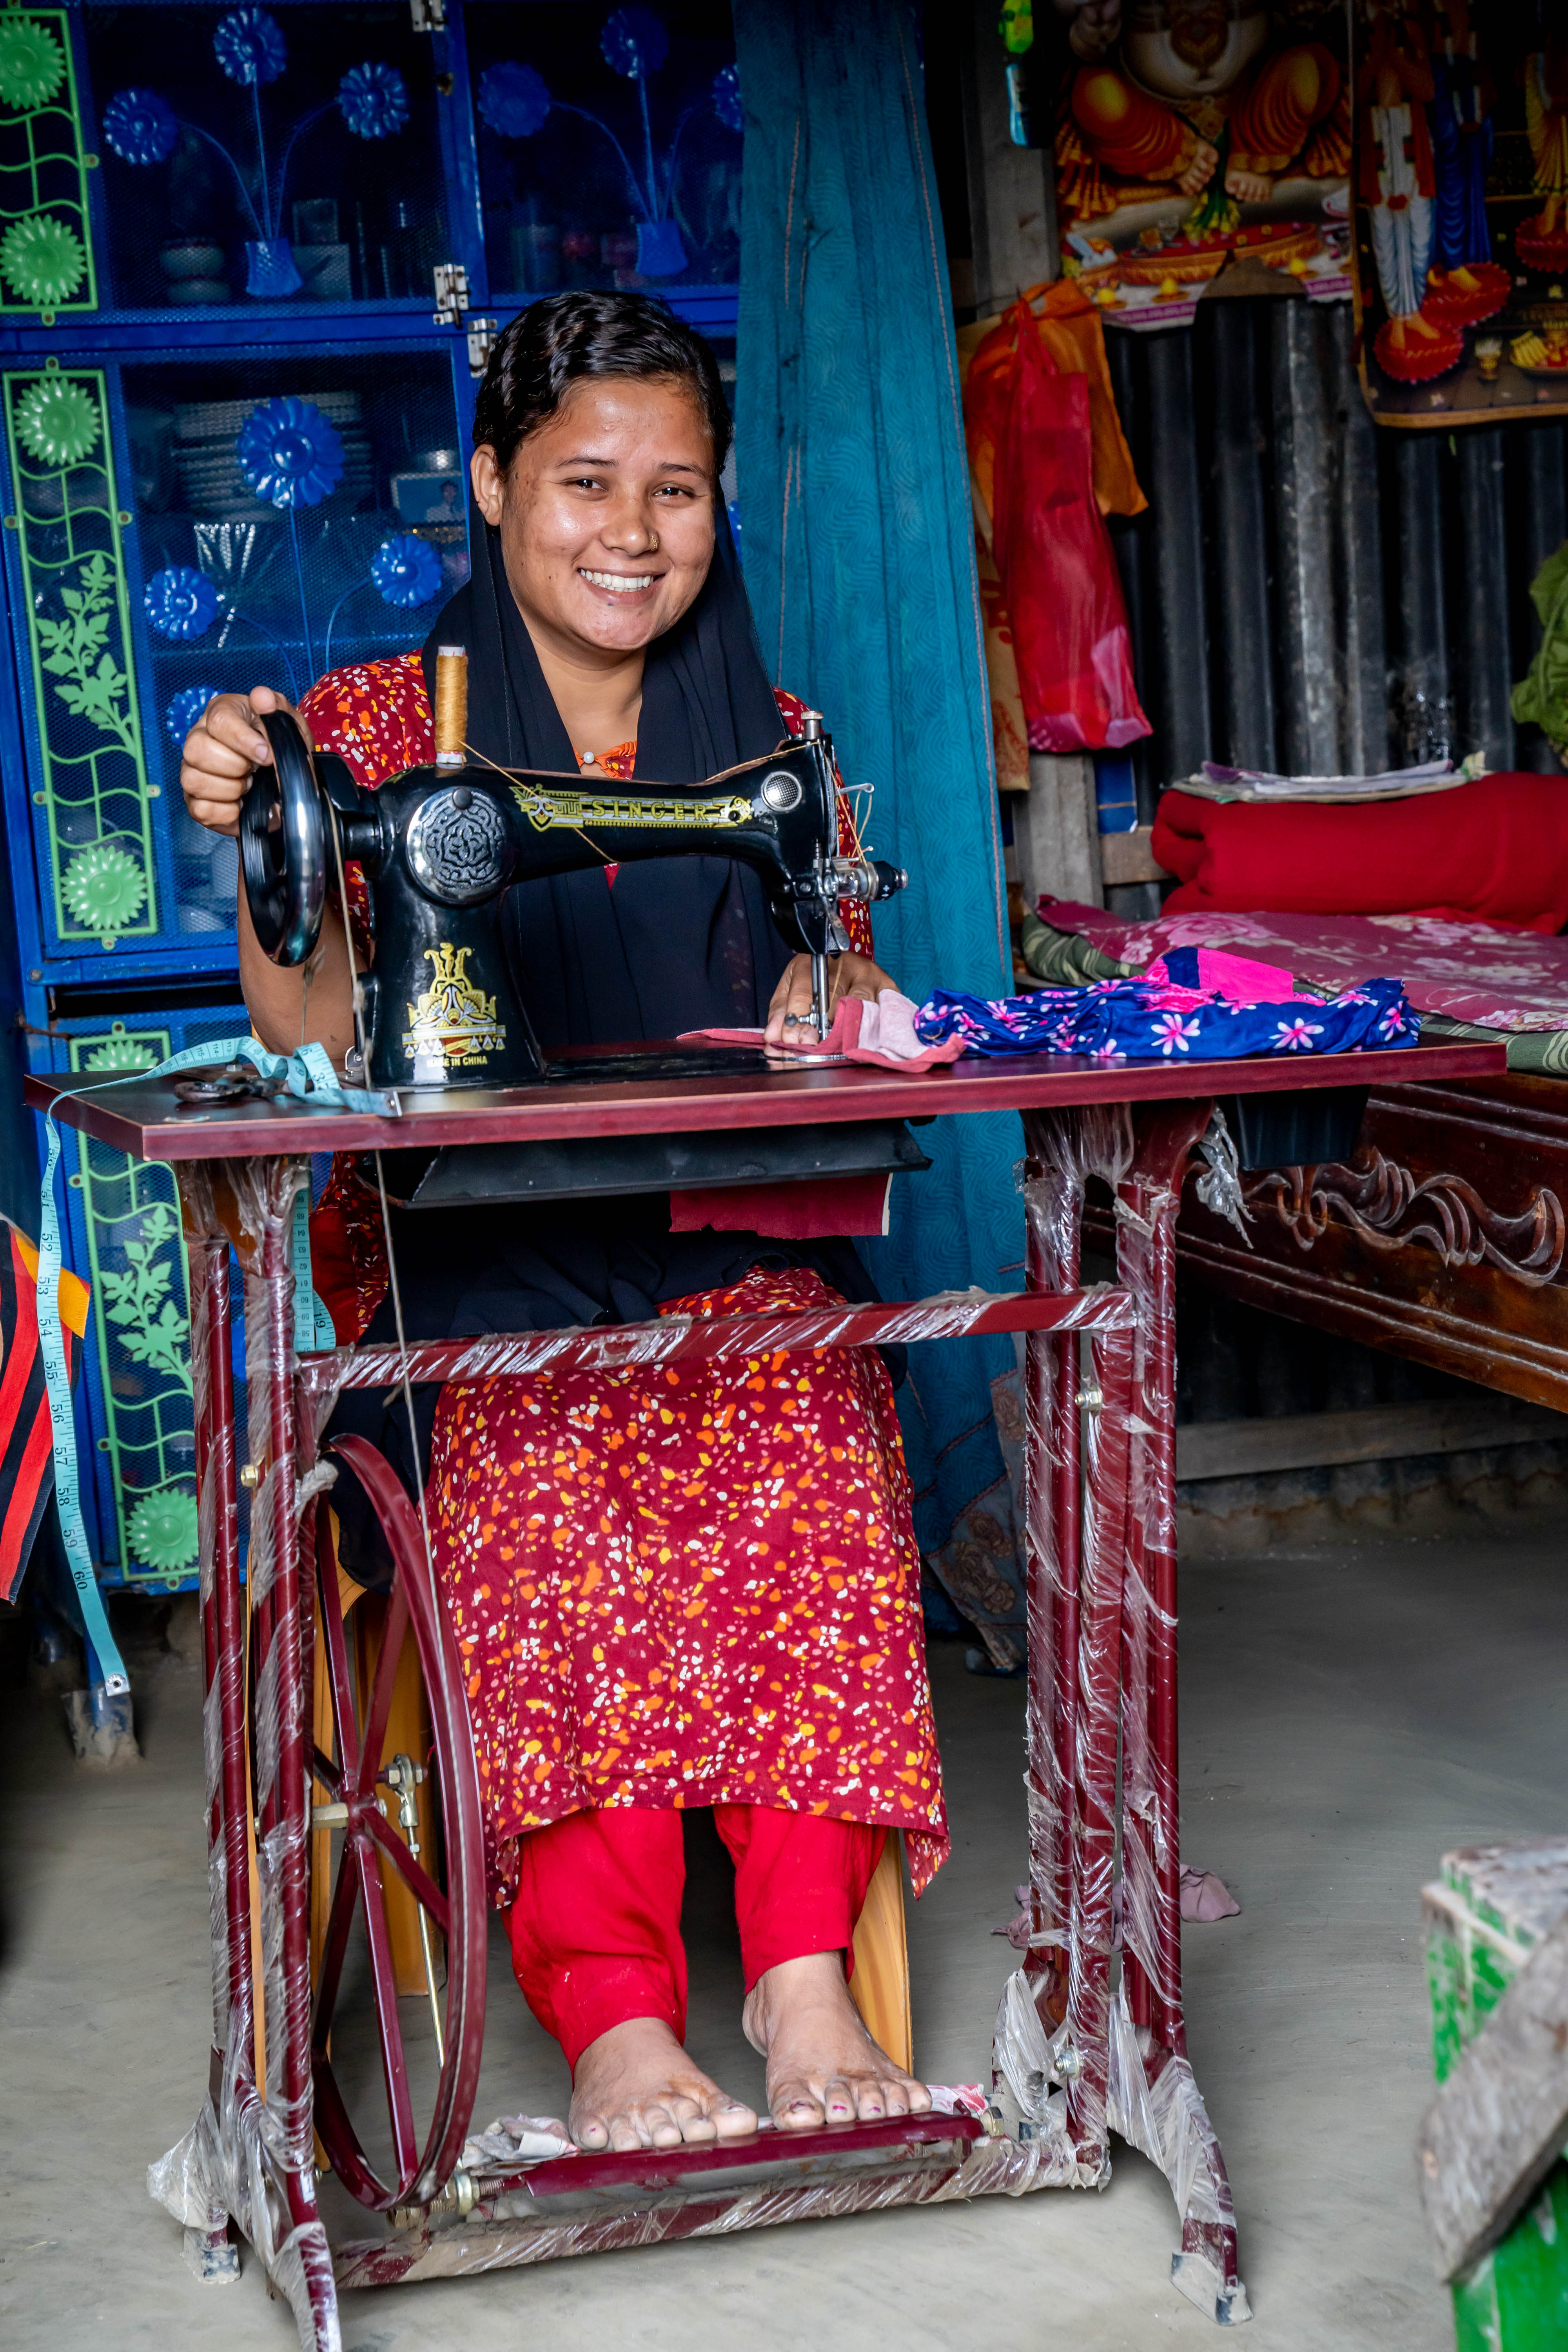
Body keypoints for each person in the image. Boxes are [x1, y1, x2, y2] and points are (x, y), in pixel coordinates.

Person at [179, 292, 948, 2157]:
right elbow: (312, 1054)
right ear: (491, 483)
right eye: (585, 482)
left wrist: (828, 995)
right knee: (546, 1434)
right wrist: (271, 845)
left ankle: (798, 1981)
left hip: (722, 1232)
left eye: (675, 490)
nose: (632, 531)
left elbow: (834, 973)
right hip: (463, 1255)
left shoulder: (773, 735)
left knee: (806, 1408)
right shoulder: (373, 728)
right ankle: (614, 2012)